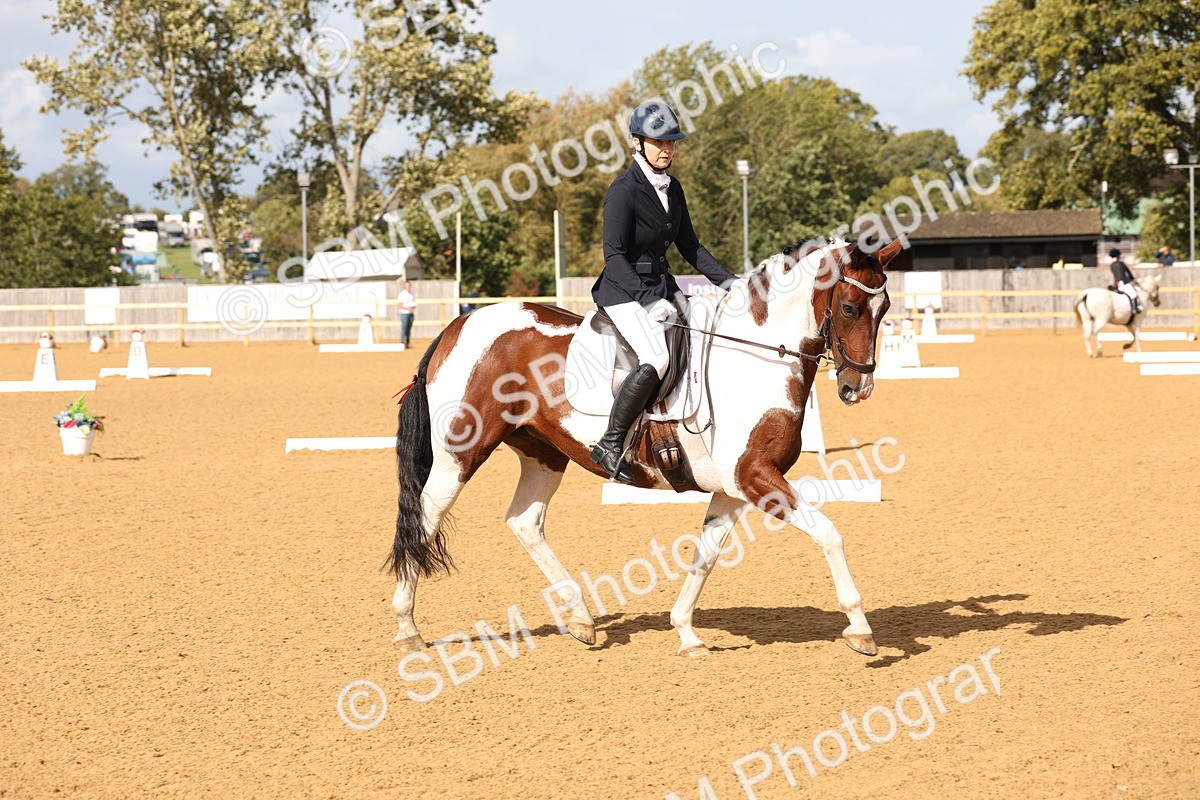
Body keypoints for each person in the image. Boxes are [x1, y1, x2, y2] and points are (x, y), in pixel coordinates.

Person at [588, 100, 739, 484]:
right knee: (656, 356)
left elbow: (691, 247)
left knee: (704, 335)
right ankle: (610, 443)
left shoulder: (673, 188)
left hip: (663, 285)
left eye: (672, 142)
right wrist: (648, 299)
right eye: (659, 142)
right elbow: (614, 255)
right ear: (638, 143)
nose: (667, 149)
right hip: (624, 291)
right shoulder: (623, 191)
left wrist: (730, 282)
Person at [1109, 248, 1142, 317]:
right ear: (1118, 255)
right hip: (1123, 282)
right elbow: (1128, 273)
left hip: (1116, 283)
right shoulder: (1121, 263)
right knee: (1134, 294)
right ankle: (1135, 309)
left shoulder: (1111, 265)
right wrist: (1132, 279)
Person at [398, 281, 417, 348]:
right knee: (404, 328)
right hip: (404, 313)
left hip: (410, 313)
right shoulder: (402, 294)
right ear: (405, 287)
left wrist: (412, 307)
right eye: (407, 286)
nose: (408, 287)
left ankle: (407, 343)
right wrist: (408, 308)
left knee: (409, 329)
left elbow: (413, 303)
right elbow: (399, 305)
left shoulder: (411, 295)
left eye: (409, 286)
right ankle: (402, 342)